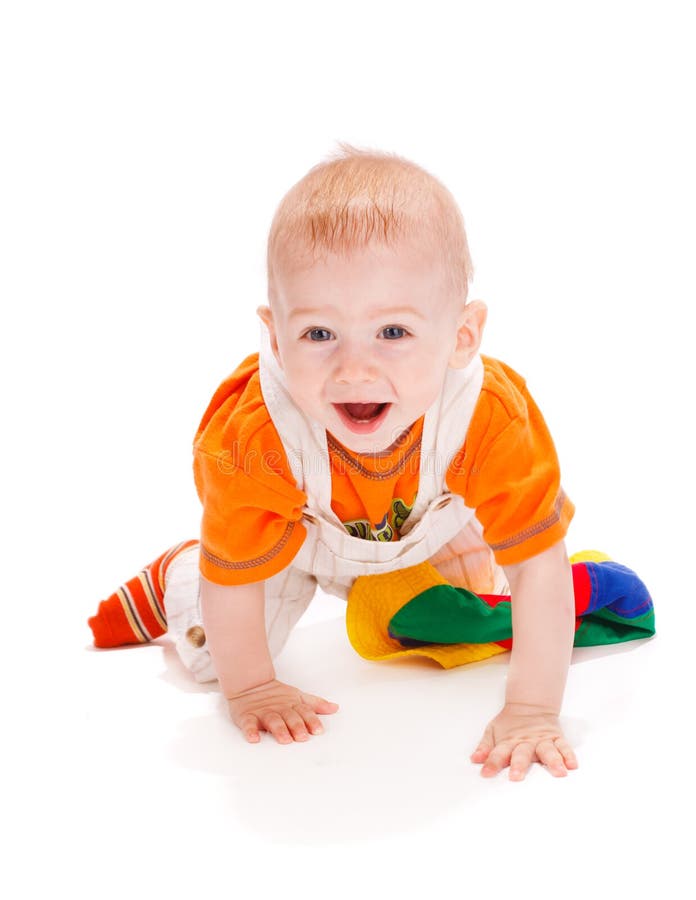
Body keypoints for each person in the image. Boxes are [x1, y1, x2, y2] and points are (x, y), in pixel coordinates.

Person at [95, 146, 583, 781]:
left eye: (394, 333)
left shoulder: (489, 418)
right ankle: (181, 576)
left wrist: (532, 708)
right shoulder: (258, 436)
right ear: (275, 337)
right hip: (295, 540)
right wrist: (253, 691)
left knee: (452, 626)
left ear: (462, 335)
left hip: (422, 528)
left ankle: (395, 584)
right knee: (226, 654)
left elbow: (542, 570)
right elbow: (237, 587)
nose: (355, 370)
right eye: (319, 335)